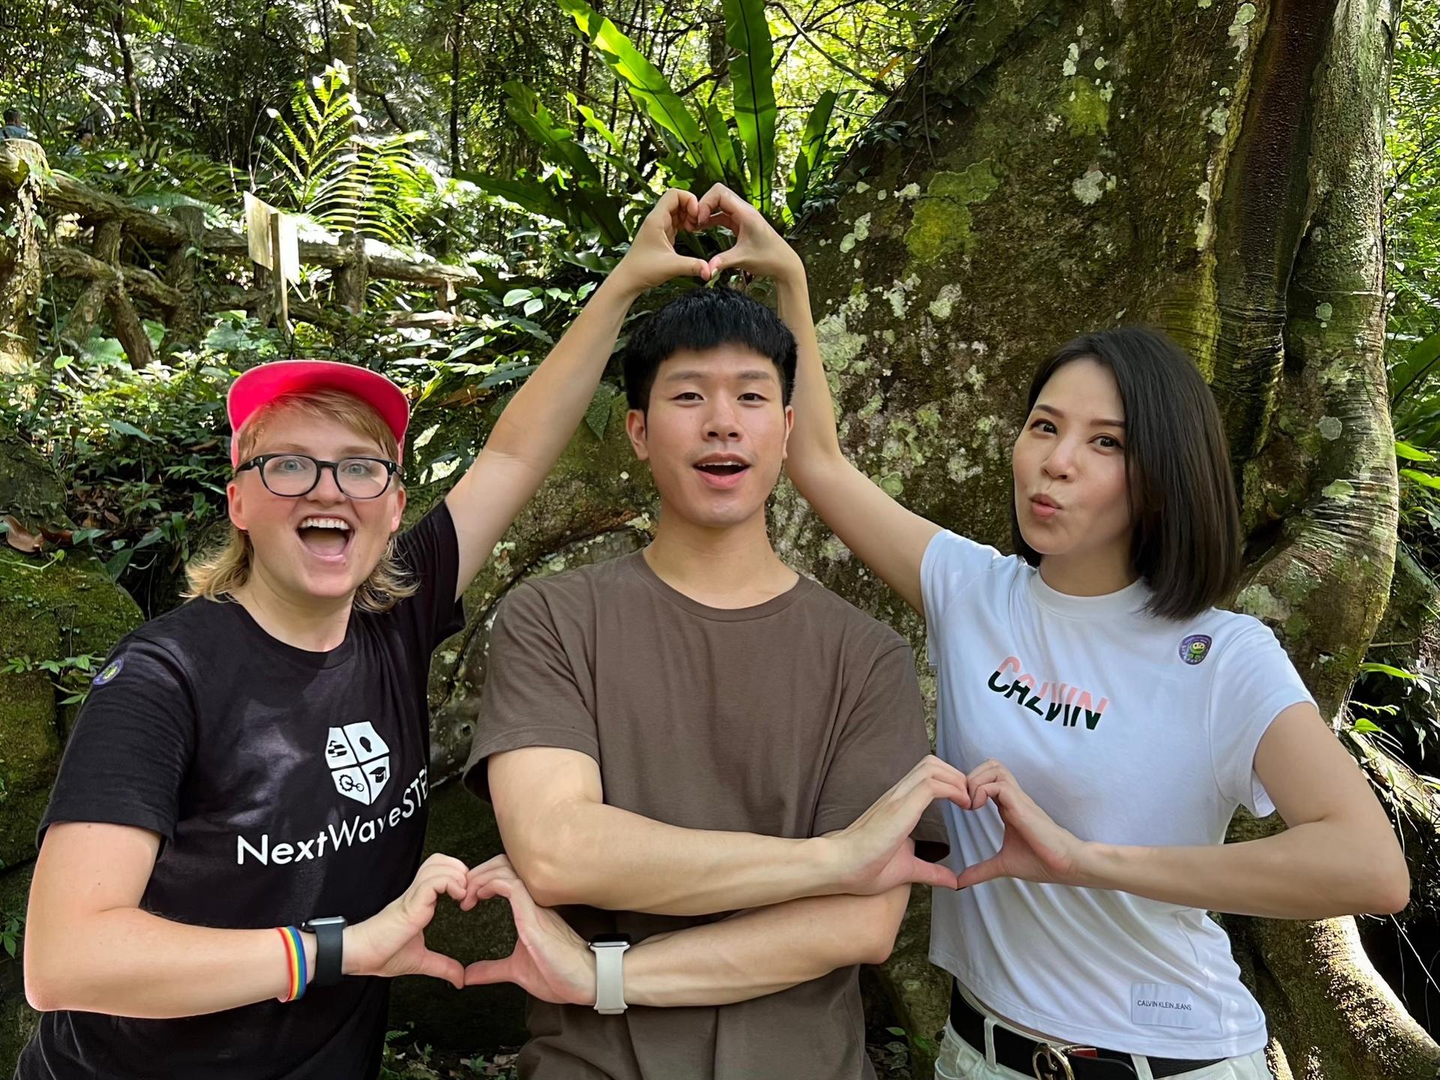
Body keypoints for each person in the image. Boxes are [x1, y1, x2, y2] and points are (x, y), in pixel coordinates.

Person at [691, 185, 1410, 1080]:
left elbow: (1370, 866)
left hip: (1168, 1060)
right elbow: (817, 462)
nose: (1057, 462)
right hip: (977, 1053)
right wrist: (792, 282)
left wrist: (1086, 861)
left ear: (1164, 474)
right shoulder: (971, 590)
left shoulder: (1221, 655)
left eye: (1106, 443)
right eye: (1044, 426)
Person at [16, 189, 721, 1080]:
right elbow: (66, 960)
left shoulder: (394, 620)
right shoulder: (167, 676)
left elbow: (513, 454)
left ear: (392, 507)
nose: (327, 489)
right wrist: (337, 950)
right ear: (238, 503)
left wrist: (624, 282)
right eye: (288, 465)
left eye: (359, 468)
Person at [459, 280, 963, 1080]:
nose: (722, 421)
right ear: (638, 430)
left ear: (788, 430)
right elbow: (557, 850)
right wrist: (836, 858)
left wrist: (605, 976)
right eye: (689, 395)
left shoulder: (866, 656)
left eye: (752, 397)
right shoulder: (553, 619)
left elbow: (861, 925)